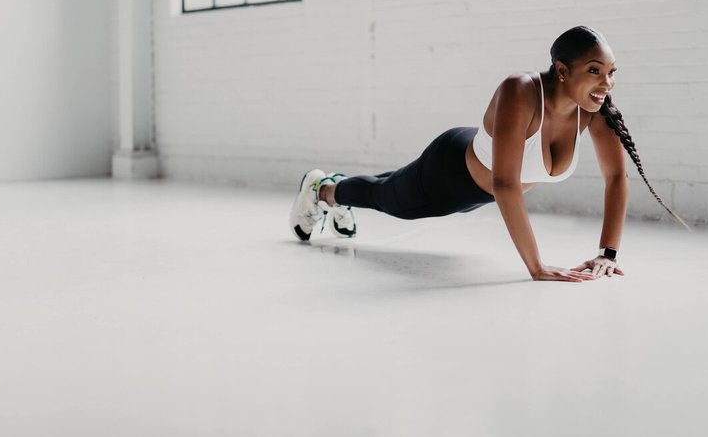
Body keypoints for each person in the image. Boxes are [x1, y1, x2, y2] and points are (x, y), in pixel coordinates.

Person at [288, 26, 687, 282]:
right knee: (386, 197)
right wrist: (536, 266)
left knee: (386, 184)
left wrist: (607, 253)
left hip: (475, 191)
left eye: (612, 71)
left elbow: (617, 178)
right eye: (595, 71)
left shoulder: (593, 110)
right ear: (563, 70)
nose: (607, 83)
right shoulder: (521, 90)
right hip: (449, 172)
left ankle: (333, 188)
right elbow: (504, 182)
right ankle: (324, 190)